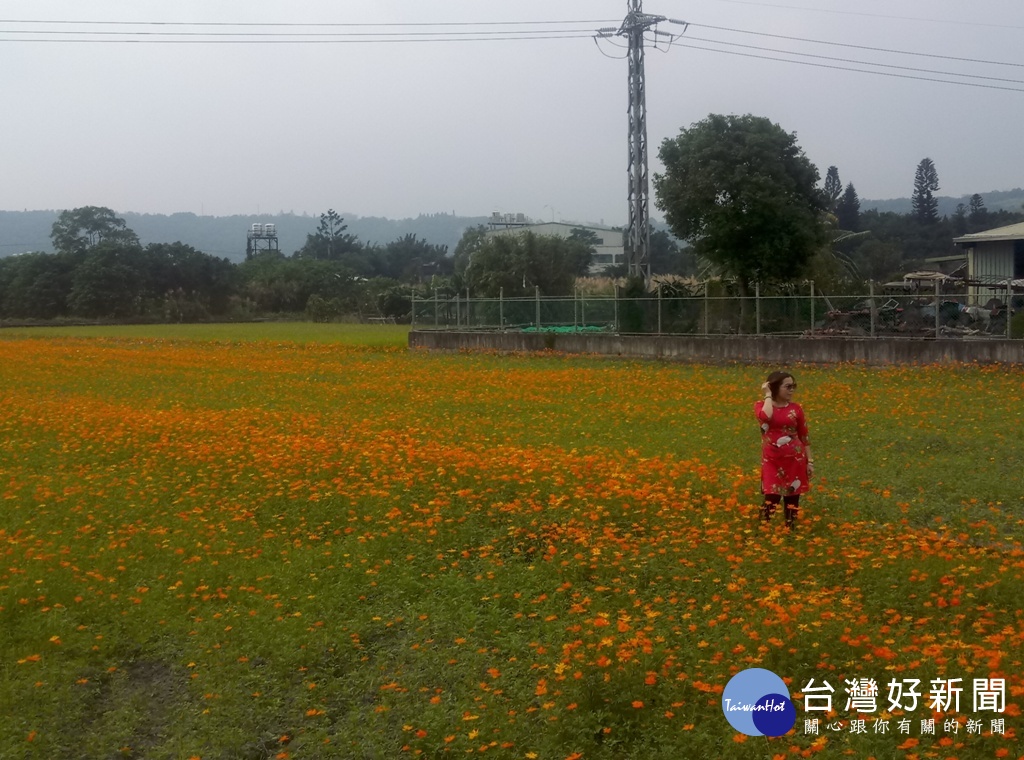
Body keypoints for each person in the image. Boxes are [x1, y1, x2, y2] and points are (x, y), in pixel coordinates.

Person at [755, 371, 813, 529]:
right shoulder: (761, 406)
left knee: (792, 499)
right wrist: (768, 395)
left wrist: (810, 461)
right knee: (771, 497)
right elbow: (766, 417)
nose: (791, 390)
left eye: (793, 386)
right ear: (774, 388)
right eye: (787, 386)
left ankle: (790, 533)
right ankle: (761, 531)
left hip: (795, 460)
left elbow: (804, 436)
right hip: (771, 461)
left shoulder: (796, 409)